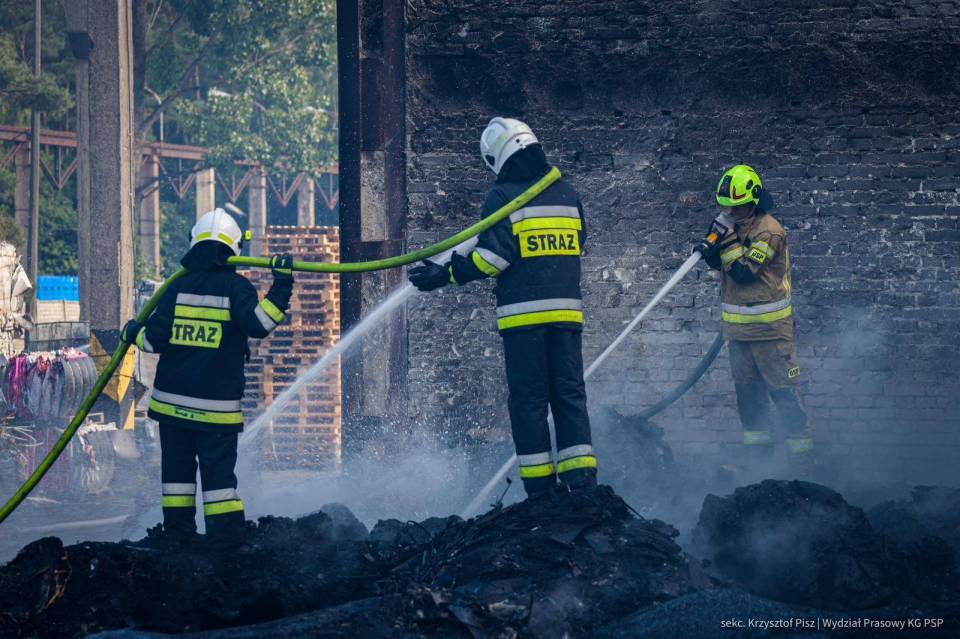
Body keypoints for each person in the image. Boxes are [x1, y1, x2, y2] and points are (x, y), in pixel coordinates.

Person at [408, 117, 597, 498]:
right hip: (566, 316)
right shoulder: (566, 192)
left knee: (529, 402)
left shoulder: (502, 196)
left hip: (524, 320)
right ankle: (582, 486)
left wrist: (445, 275)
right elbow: (579, 243)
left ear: (497, 157)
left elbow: (492, 259)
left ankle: (540, 491)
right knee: (569, 396)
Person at [122, 208, 293, 547]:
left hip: (171, 410)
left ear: (194, 243)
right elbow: (260, 324)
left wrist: (132, 332)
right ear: (234, 249)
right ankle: (225, 543)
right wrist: (282, 283)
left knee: (177, 479)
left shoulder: (176, 287)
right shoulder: (236, 287)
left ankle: (178, 539)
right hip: (215, 412)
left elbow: (152, 341)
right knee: (218, 482)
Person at [699, 165, 812, 467]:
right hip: (738, 335)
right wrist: (711, 248)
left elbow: (744, 273)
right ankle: (758, 461)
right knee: (748, 399)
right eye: (727, 207)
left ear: (754, 200)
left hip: (771, 333)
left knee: (784, 396)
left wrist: (725, 241)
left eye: (737, 207)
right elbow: (723, 266)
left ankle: (803, 460)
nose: (731, 213)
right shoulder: (735, 227)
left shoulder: (769, 231)